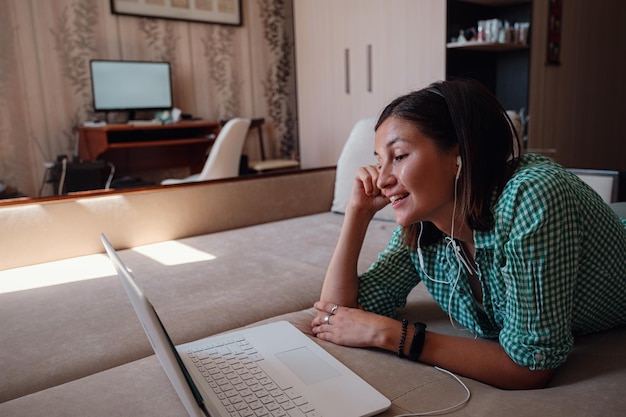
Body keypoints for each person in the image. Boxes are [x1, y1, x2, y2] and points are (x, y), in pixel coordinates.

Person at [311, 78, 626, 390]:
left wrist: (394, 334)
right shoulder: (423, 229)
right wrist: (358, 214)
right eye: (379, 161)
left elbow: (530, 366)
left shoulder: (532, 197)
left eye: (400, 156)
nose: (381, 181)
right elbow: (336, 313)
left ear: (457, 157)